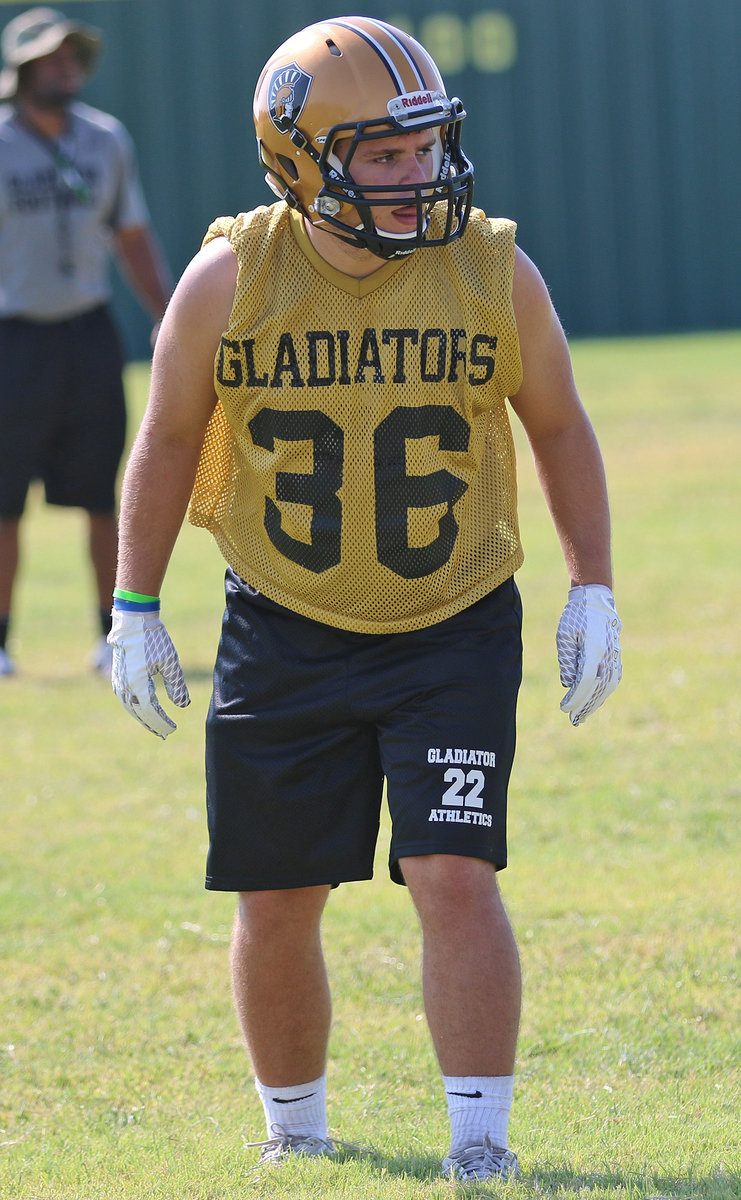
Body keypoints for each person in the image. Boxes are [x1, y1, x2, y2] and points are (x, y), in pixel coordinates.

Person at [108, 15, 622, 1183]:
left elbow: (557, 425)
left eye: (426, 146)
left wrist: (594, 583)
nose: (418, 174)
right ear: (298, 159)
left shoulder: (490, 263)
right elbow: (171, 435)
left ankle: (480, 1143)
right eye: (382, 155)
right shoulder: (233, 274)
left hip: (453, 619)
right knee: (278, 894)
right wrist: (136, 602)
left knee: (454, 872)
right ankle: (296, 1128)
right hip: (281, 621)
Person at [0, 7, 172, 677]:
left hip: (86, 331)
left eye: (74, 55)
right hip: (14, 337)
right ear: (22, 69)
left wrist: (167, 315)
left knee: (103, 490)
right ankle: (4, 640)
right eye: (51, 55)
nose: (66, 65)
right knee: (5, 499)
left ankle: (111, 636)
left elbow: (130, 234)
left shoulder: (105, 139)